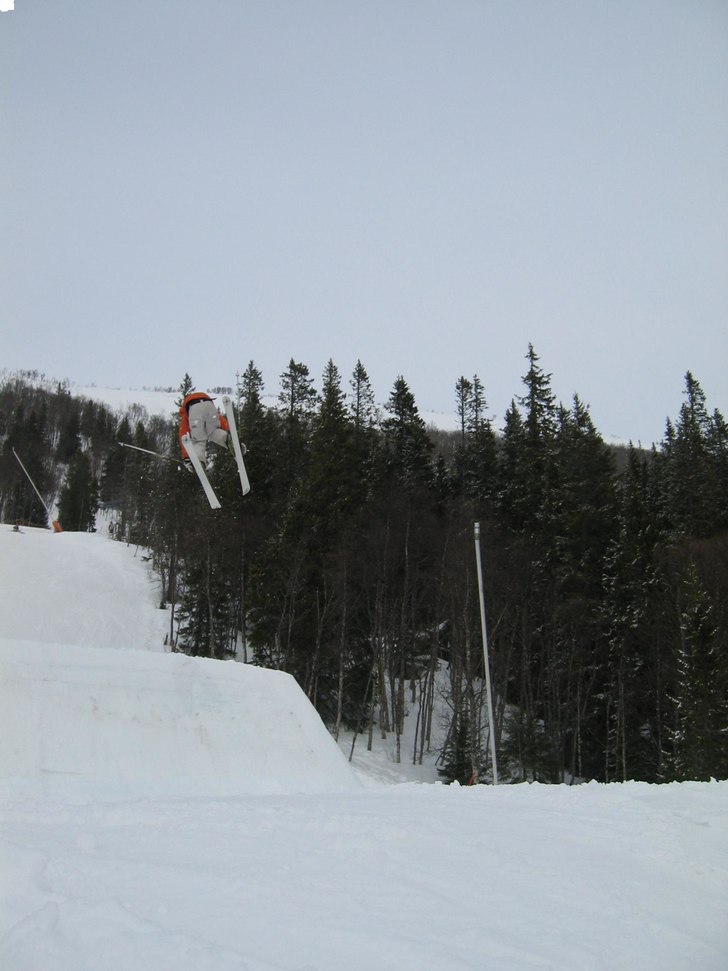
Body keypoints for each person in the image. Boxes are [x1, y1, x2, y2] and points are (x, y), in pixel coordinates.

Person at [178, 392, 231, 470]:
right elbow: (220, 419)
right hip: (209, 404)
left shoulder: (186, 412)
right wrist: (228, 430)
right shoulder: (199, 397)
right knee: (213, 432)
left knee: (198, 440)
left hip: (194, 407)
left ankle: (199, 461)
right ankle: (226, 439)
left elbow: (183, 435)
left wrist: (186, 457)